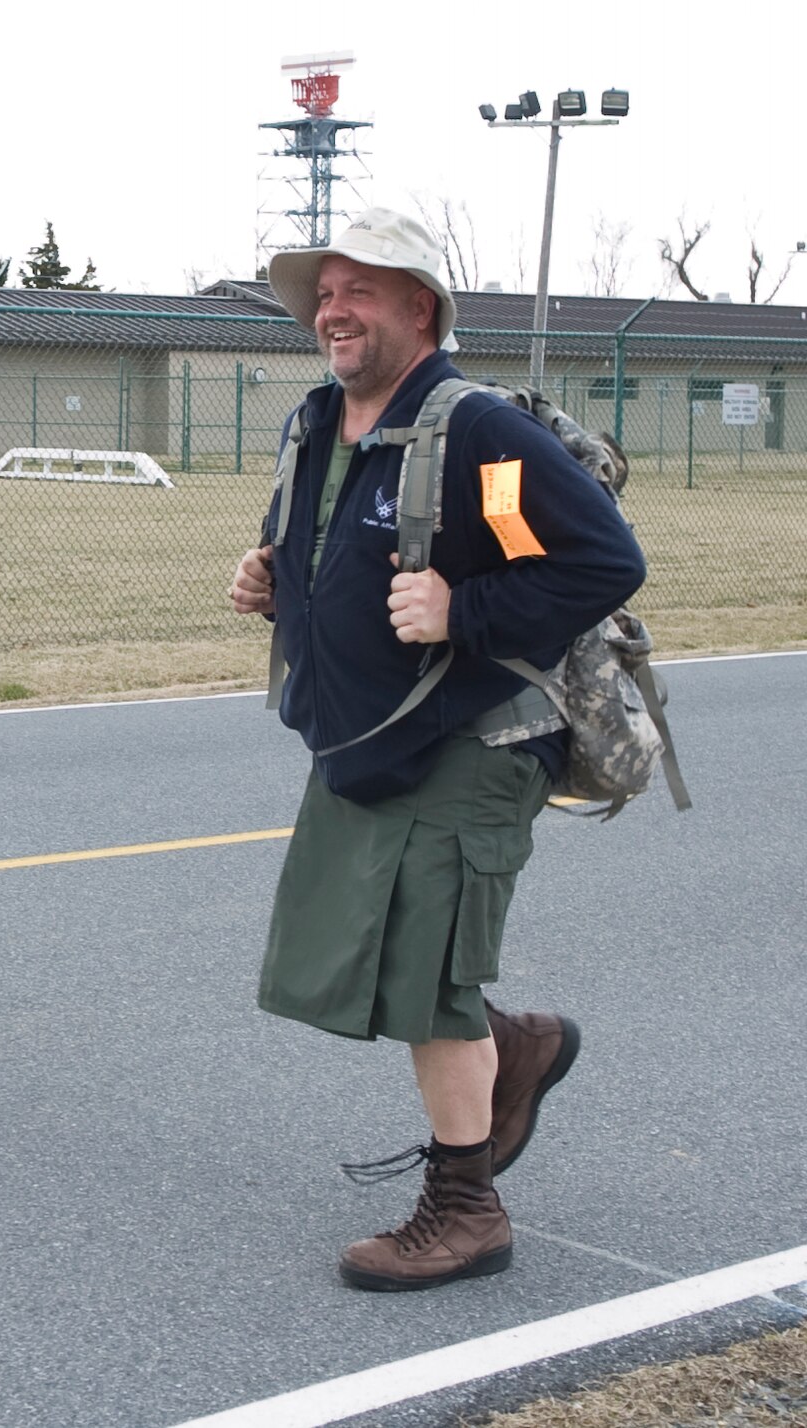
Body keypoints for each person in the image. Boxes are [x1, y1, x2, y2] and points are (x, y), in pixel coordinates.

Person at [227, 208, 646, 1290]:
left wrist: (462, 607)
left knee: (427, 985)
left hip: (469, 742)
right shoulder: (319, 425)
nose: (331, 309)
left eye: (357, 290)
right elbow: (331, 548)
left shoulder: (480, 437)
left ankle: (466, 1209)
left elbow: (592, 563)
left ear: (419, 308)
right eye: (321, 292)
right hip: (364, 738)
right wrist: (270, 580)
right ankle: (515, 1050)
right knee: (373, 961)